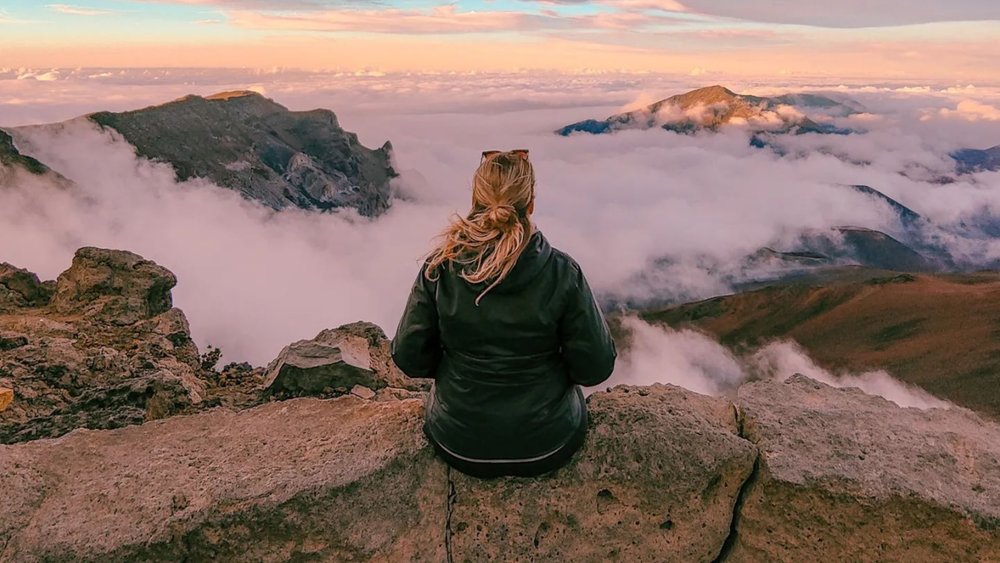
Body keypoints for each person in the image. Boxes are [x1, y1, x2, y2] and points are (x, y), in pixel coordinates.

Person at [390, 149, 617, 478]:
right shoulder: (563, 273)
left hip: (458, 439)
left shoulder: (440, 268)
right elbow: (595, 367)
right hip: (547, 442)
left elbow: (409, 358)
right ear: (531, 204)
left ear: (475, 200)